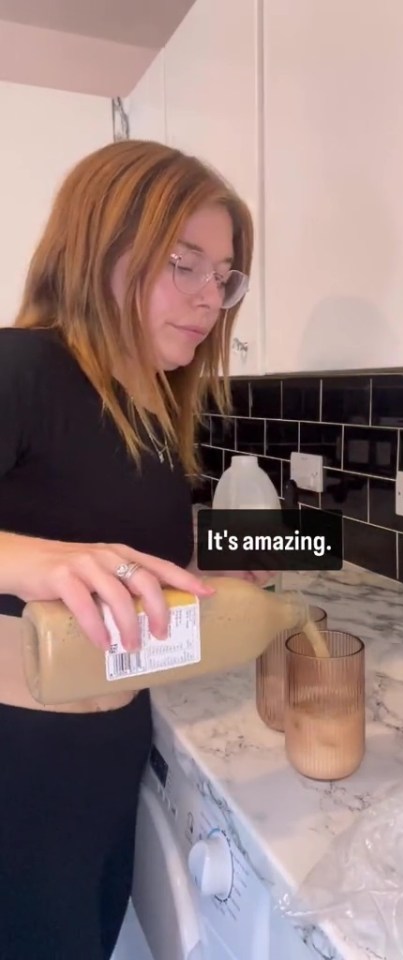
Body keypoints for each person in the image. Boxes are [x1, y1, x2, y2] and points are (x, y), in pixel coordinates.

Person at [0, 138, 267, 960]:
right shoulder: (22, 367)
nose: (209, 299)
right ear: (96, 249)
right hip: (20, 766)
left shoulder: (146, 405)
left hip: (110, 749)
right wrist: (27, 558)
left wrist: (274, 550)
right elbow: (57, 549)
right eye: (182, 264)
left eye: (223, 277)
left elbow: (136, 543)